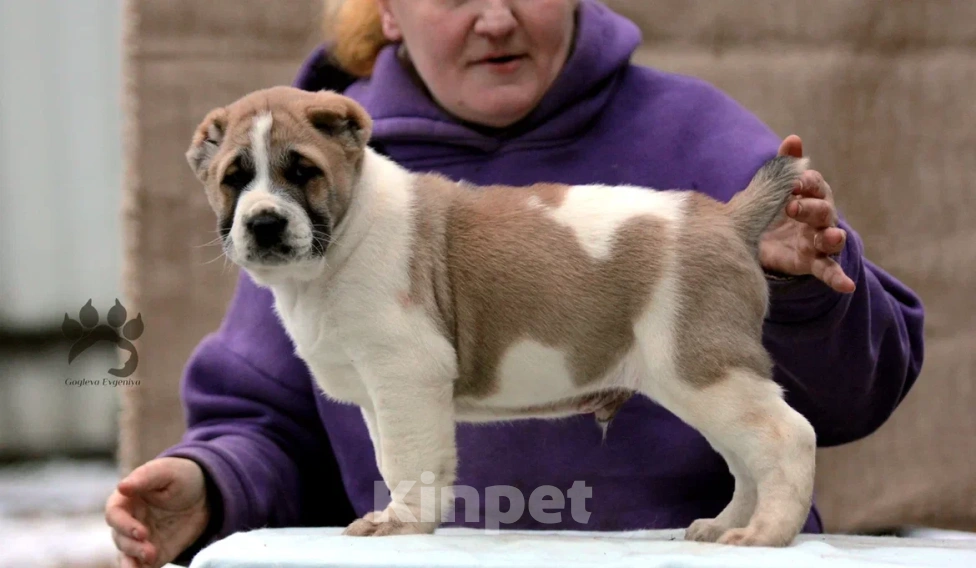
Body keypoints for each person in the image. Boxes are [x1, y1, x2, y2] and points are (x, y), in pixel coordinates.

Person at [105, 1, 925, 566]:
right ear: (385, 10)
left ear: (347, 145)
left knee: (703, 378)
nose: (494, 15)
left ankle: (769, 489)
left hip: (658, 524)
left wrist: (807, 292)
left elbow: (871, 384)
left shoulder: (701, 136)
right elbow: (268, 425)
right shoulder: (312, 207)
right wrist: (215, 483)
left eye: (298, 179)